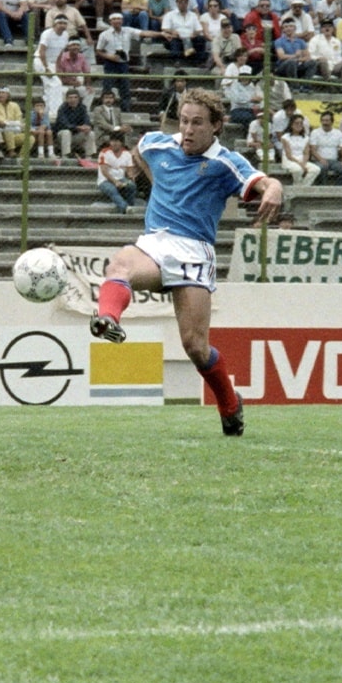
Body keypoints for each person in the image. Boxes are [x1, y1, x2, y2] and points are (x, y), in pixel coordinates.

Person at [89, 87, 285, 436]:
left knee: (195, 346)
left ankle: (230, 404)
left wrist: (274, 188)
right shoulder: (158, 145)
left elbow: (262, 182)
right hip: (154, 243)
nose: (189, 129)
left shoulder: (225, 162)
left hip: (194, 252)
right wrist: (153, 182)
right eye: (184, 121)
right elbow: (140, 151)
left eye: (197, 123)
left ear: (216, 126)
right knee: (119, 264)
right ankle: (107, 319)